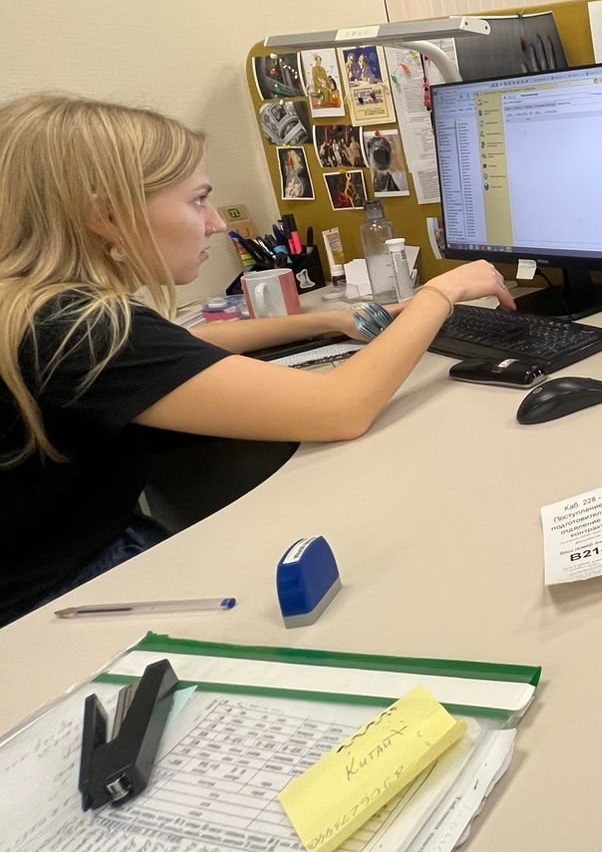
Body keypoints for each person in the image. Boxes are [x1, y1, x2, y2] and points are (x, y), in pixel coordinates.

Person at [0, 95, 516, 626]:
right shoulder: (79, 327)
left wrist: (324, 320)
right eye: (198, 201)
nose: (217, 222)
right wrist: (441, 292)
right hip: (53, 601)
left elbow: (174, 353)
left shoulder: (29, 307)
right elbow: (339, 408)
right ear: (107, 215)